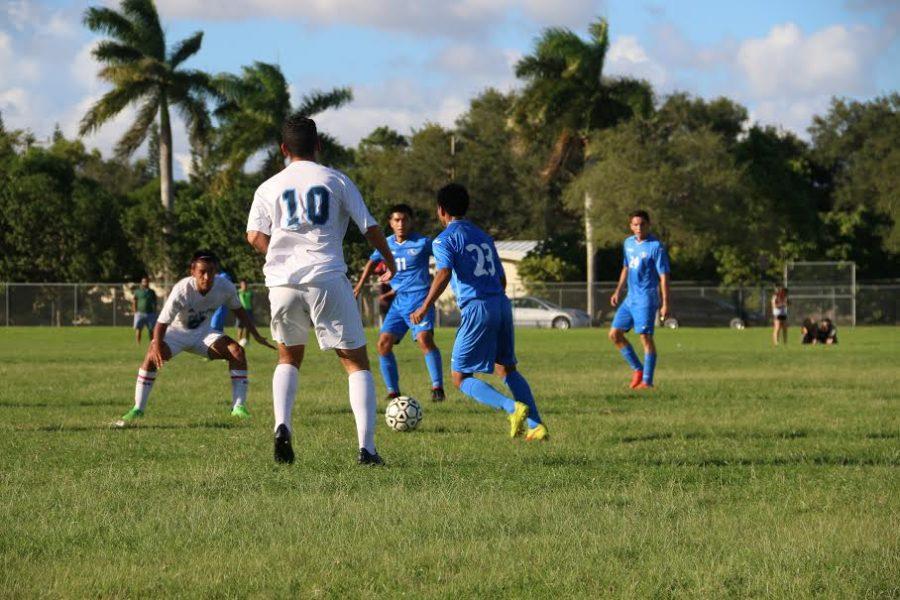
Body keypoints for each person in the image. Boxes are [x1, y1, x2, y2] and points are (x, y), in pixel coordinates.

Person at [246, 114, 396, 466]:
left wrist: (283, 255)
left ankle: (282, 425)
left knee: (288, 357)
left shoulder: (268, 186)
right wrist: (389, 259)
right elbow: (370, 227)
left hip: (282, 283)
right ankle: (367, 449)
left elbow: (254, 235)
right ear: (319, 145)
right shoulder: (337, 180)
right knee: (355, 363)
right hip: (326, 277)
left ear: (284, 149)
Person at [410, 183, 548, 441]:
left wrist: (425, 305)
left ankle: (512, 408)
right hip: (501, 304)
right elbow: (502, 279)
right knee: (507, 369)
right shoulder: (483, 235)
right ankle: (536, 426)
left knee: (460, 376)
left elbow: (443, 272)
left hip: (477, 307)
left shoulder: (445, 239)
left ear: (441, 210)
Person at [118, 251, 275, 425]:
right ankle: (138, 409)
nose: (207, 277)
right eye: (202, 272)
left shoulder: (225, 287)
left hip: (204, 334)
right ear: (193, 271)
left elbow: (239, 311)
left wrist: (256, 335)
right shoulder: (182, 289)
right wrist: (155, 345)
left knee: (237, 351)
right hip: (176, 333)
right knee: (150, 356)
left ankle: (238, 407)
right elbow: (161, 324)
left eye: (211, 271)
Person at [353, 204, 445, 402]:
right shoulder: (386, 243)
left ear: (411, 221)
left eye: (404, 219)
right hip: (399, 302)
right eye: (396, 220)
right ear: (390, 223)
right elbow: (371, 262)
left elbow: (444, 260)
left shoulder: (423, 243)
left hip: (420, 300)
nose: (401, 224)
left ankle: (438, 388)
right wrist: (359, 286)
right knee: (383, 344)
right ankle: (393, 392)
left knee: (424, 339)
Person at [608, 210, 671, 389]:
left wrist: (665, 303)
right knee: (614, 334)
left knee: (645, 337)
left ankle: (647, 381)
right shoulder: (628, 243)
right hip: (630, 299)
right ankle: (638, 369)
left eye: (642, 224)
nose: (638, 228)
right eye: (635, 224)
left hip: (646, 298)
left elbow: (664, 276)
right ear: (630, 226)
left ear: (648, 225)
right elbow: (626, 267)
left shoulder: (655, 247)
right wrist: (617, 291)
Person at [132, 277, 158, 344]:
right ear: (141, 282)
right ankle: (138, 343)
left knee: (151, 330)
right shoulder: (138, 291)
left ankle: (152, 344)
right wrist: (135, 311)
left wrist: (154, 311)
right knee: (139, 329)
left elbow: (155, 302)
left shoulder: (151, 292)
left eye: (146, 281)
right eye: (144, 281)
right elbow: (134, 301)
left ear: (148, 282)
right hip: (140, 313)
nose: (145, 283)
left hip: (150, 313)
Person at [236, 280, 254, 347]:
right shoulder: (238, 292)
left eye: (246, 284)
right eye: (243, 284)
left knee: (248, 327)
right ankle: (238, 342)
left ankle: (247, 342)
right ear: (241, 285)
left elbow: (251, 301)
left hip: (249, 311)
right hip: (240, 311)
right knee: (240, 327)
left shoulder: (250, 292)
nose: (245, 286)